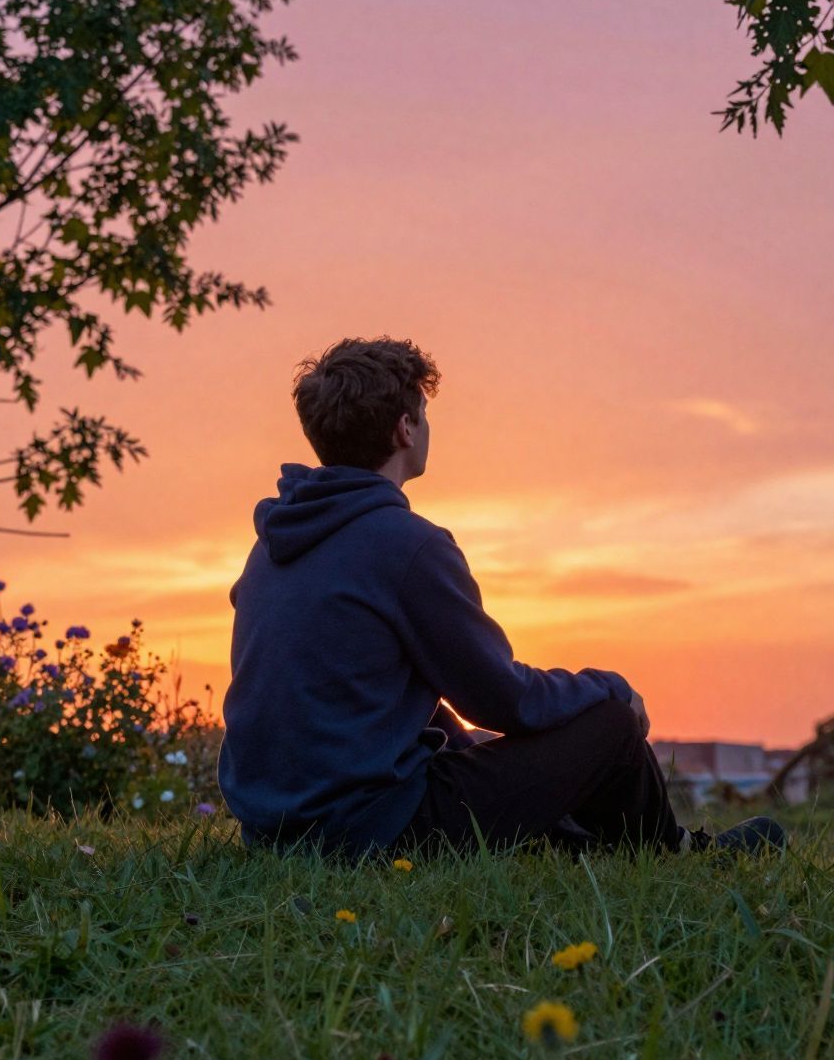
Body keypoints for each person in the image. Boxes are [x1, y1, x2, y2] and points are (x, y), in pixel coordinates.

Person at [218, 337, 784, 862]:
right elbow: (505, 698)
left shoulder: (270, 546)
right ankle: (675, 852)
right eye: (425, 413)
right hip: (366, 830)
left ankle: (572, 840)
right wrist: (609, 687)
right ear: (404, 430)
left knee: (446, 725)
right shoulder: (409, 546)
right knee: (608, 724)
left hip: (273, 830)